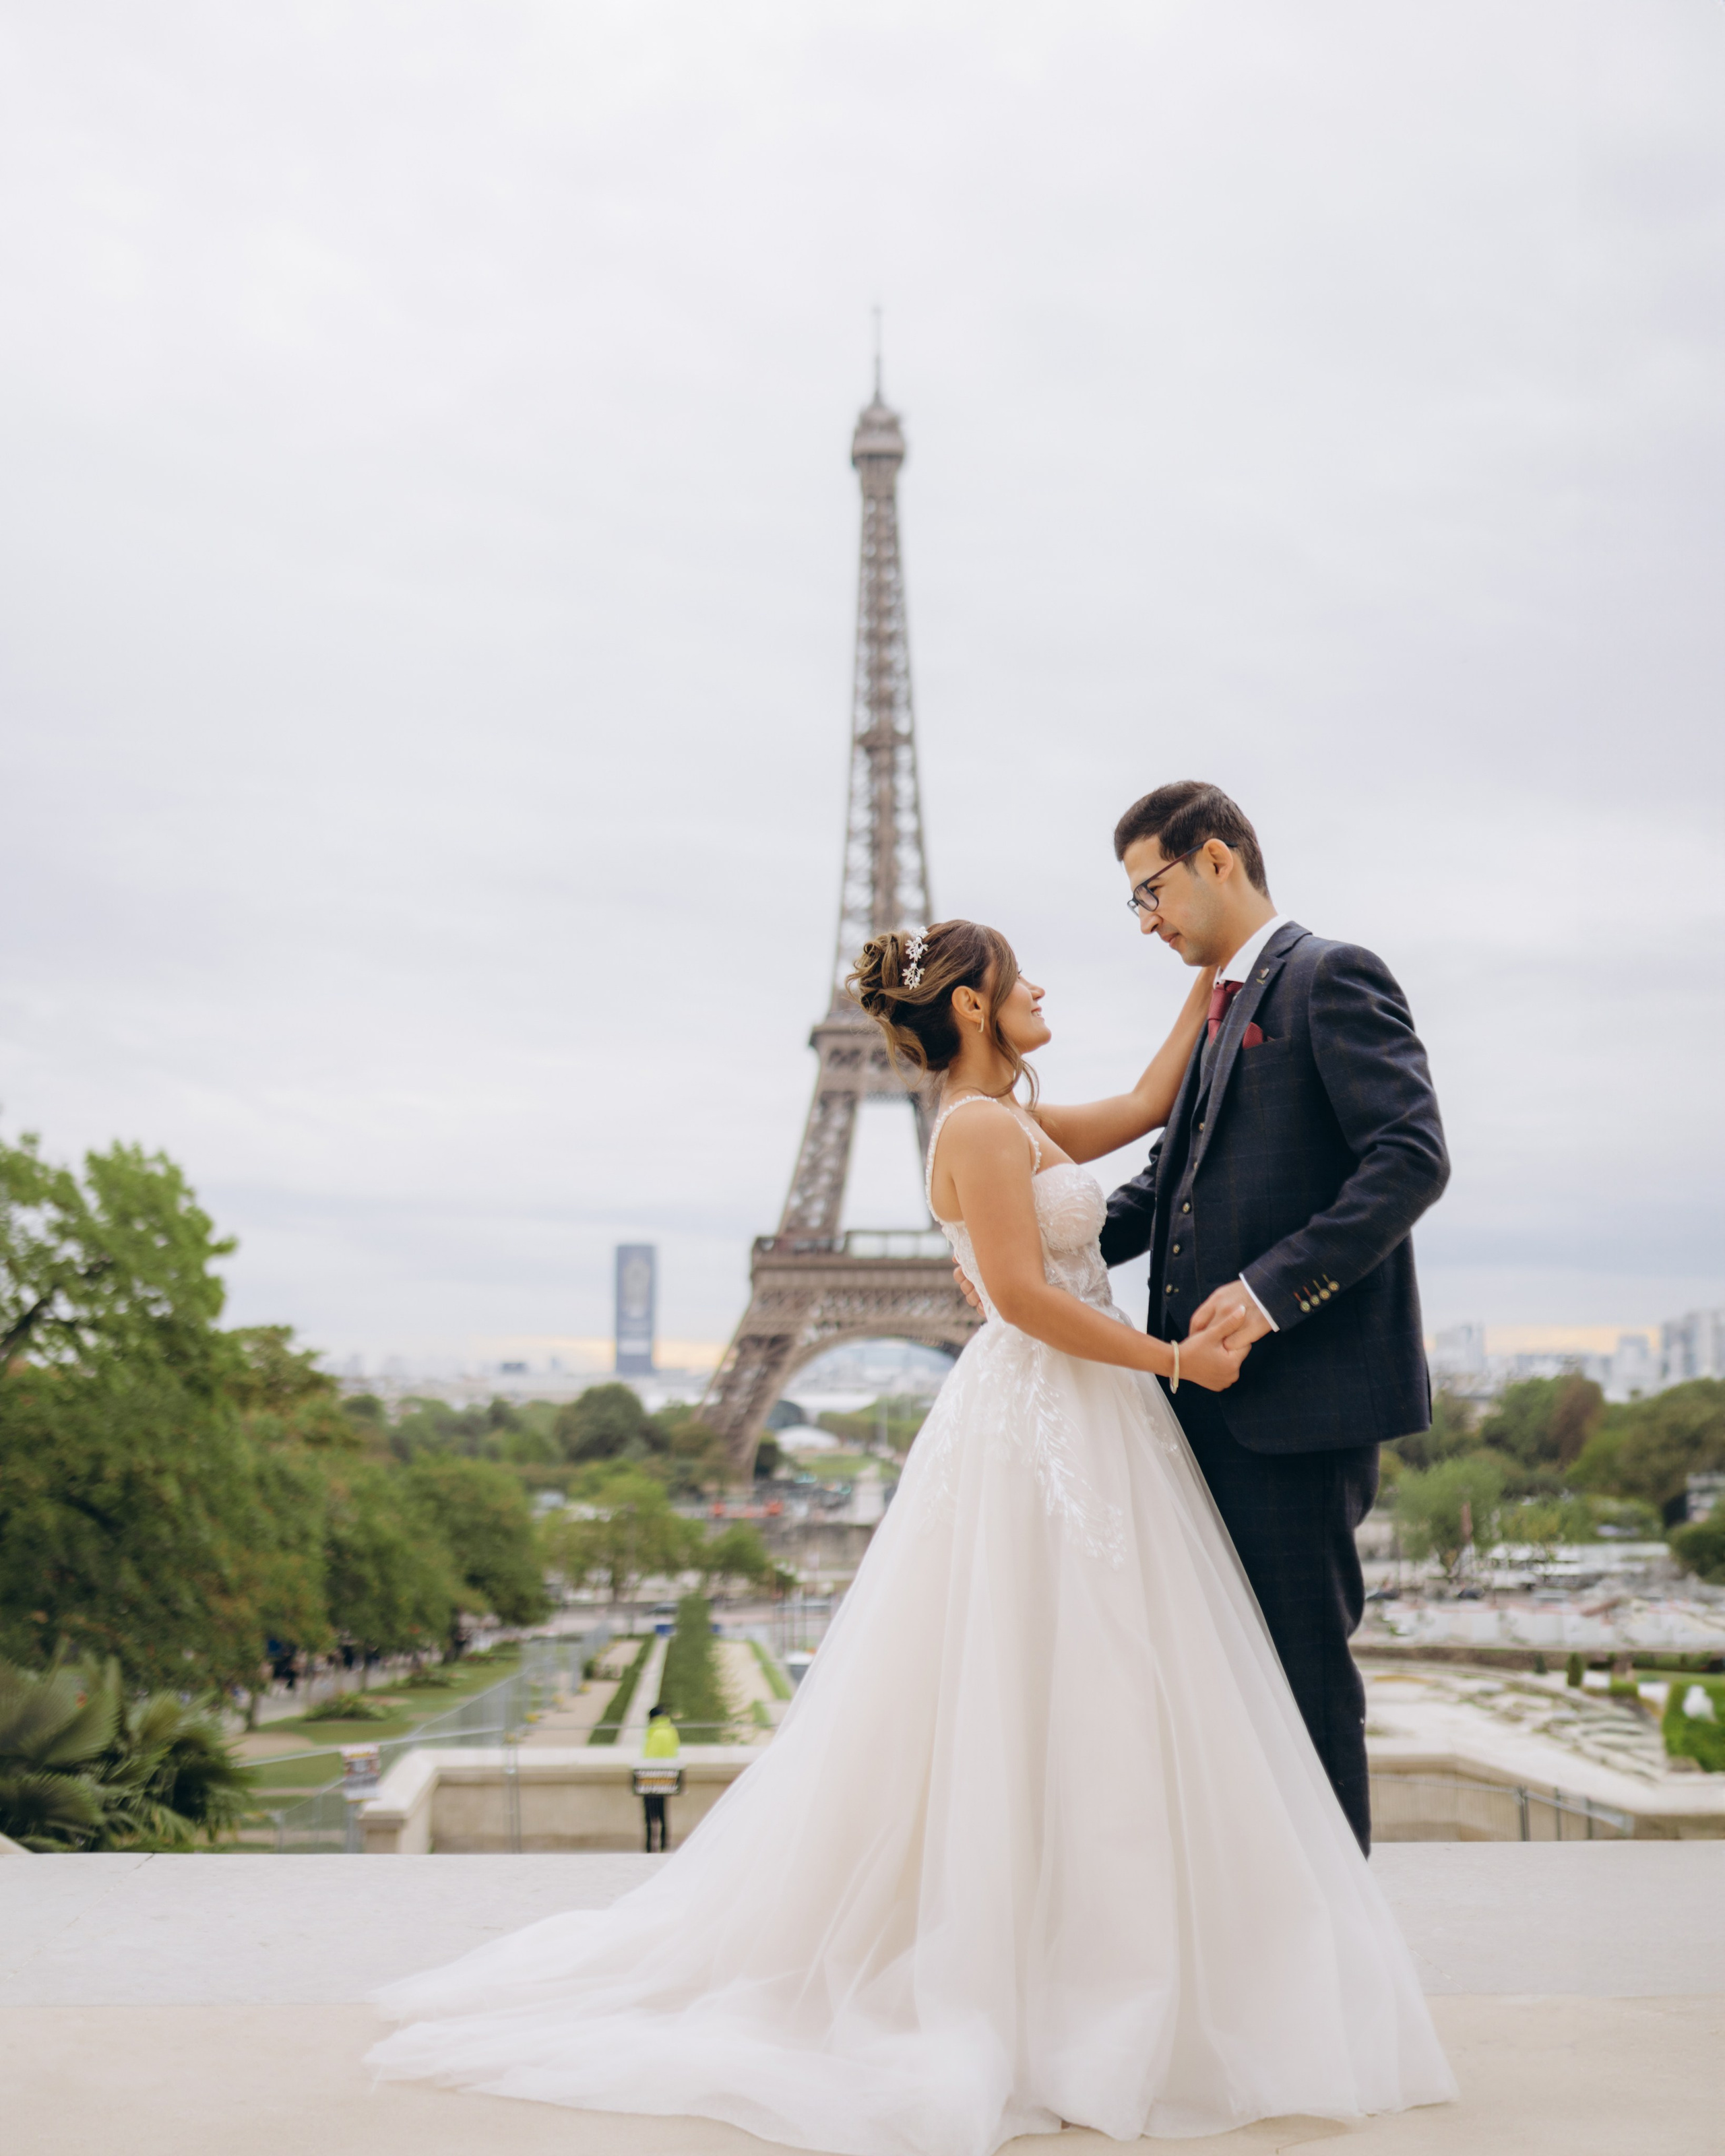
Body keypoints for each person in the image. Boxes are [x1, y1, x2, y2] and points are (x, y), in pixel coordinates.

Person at [368, 920, 1453, 2152]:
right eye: (1019, 976)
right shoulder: (979, 1129)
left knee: (1085, 1679)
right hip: (1059, 1411)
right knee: (1075, 1676)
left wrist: (1218, 970)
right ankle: (1081, 1971)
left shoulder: (1014, 1119)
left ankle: (1091, 1958)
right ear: (974, 1006)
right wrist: (1171, 1359)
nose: (1039, 986)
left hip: (1085, 1422)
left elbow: (1155, 1103)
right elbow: (1026, 1299)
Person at [1095, 782, 1449, 1853]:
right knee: (1225, 1684)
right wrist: (1038, 1253)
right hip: (1201, 1404)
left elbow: (1411, 1158)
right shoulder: (1220, 1008)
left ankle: (1339, 1935)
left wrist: (1265, 1296)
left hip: (1297, 1409)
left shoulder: (1330, 975)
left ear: (1216, 859)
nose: (1146, 922)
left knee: (1301, 1680)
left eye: (1150, 891)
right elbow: (1167, 1186)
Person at [641, 1702, 679, 1853]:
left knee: (649, 1814)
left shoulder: (655, 1731)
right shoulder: (671, 1730)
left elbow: (650, 1754)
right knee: (663, 1812)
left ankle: (650, 1845)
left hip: (651, 1776)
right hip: (667, 1776)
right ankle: (664, 1843)